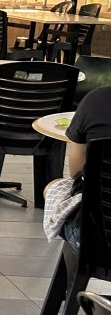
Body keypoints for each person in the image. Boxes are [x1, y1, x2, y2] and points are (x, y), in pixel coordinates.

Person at [59, 85, 111, 247]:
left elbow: (76, 172)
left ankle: (79, 266)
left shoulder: (96, 100)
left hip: (98, 237)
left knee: (53, 188)